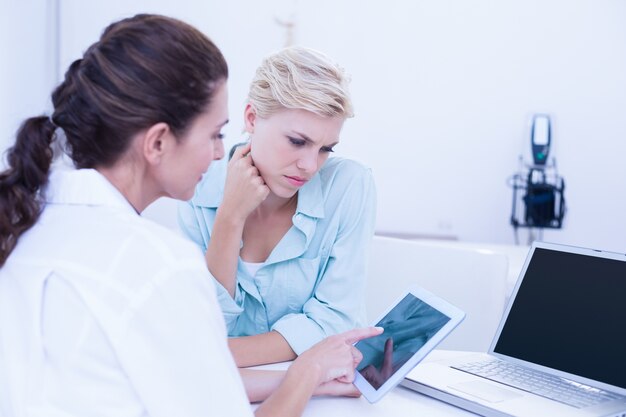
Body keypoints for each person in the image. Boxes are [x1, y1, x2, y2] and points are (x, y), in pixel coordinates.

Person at [0, 14, 382, 417]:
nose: (221, 152)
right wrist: (306, 371)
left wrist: (294, 373)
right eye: (215, 134)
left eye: (326, 148)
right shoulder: (162, 265)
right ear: (159, 141)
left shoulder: (27, 225)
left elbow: (179, 373)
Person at [178, 46, 377, 367]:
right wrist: (230, 217)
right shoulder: (198, 186)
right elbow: (204, 320)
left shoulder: (350, 185)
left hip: (318, 389)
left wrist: (220, 355)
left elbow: (336, 320)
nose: (310, 165)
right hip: (231, 390)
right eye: (297, 142)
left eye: (326, 148)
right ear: (252, 118)